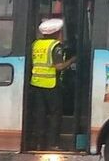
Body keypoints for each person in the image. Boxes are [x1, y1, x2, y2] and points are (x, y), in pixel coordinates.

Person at [30, 19, 76, 150]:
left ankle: (39, 143)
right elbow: (59, 66)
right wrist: (72, 60)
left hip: (36, 83)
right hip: (51, 84)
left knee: (40, 114)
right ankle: (53, 143)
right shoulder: (56, 46)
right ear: (56, 33)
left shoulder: (36, 44)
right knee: (55, 114)